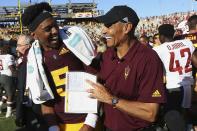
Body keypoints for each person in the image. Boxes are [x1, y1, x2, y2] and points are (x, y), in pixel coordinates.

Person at [87, 5, 166, 131]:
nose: (103, 31)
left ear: (127, 27)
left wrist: (111, 99)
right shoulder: (107, 55)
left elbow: (151, 113)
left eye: (109, 25)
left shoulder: (148, 59)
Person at [21, 2, 98, 131]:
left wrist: (90, 122)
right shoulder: (34, 58)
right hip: (60, 124)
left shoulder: (73, 43)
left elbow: (97, 79)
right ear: (34, 35)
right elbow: (44, 99)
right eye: (47, 29)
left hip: (88, 121)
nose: (55, 31)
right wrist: (53, 127)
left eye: (55, 25)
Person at [153, 24, 196, 131]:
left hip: (174, 87)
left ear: (161, 36)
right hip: (189, 84)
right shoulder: (187, 42)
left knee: (172, 116)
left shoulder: (159, 49)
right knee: (186, 114)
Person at [15, 34, 48, 131]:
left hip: (37, 104)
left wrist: (19, 113)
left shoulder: (31, 60)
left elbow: (21, 88)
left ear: (28, 46)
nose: (17, 48)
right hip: (32, 103)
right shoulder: (24, 60)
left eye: (19, 45)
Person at [0, 46, 16, 118]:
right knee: (10, 94)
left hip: (1, 76)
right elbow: (11, 68)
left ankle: (0, 106)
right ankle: (8, 112)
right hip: (8, 76)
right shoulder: (9, 56)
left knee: (6, 93)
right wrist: (16, 75)